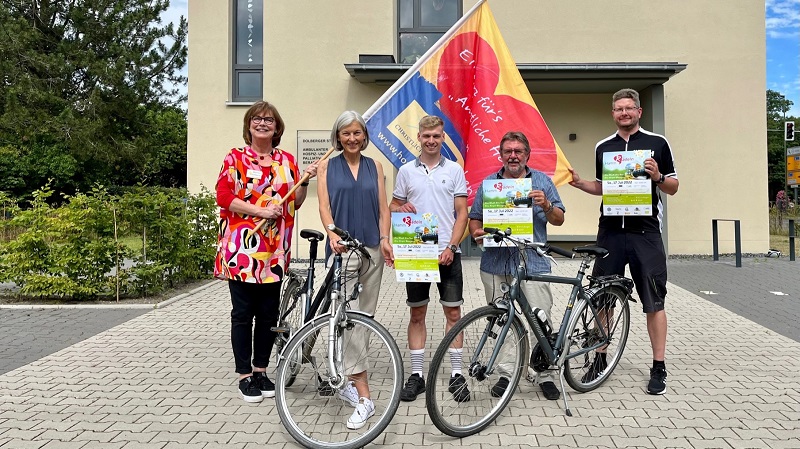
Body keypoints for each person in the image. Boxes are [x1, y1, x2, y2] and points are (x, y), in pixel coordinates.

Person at [568, 88, 679, 395]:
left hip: (646, 234)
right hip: (611, 233)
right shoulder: (604, 147)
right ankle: (600, 358)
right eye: (619, 109)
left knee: (654, 301)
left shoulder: (657, 143)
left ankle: (659, 366)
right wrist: (579, 183)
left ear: (639, 112)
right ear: (613, 113)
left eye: (629, 108)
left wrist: (657, 176)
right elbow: (603, 187)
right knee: (602, 297)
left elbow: (673, 187)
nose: (624, 113)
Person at [214, 101, 318, 403]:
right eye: (257, 119)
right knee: (243, 314)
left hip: (274, 252)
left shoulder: (287, 160)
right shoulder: (235, 158)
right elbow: (224, 197)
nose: (262, 123)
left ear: (277, 127)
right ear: (249, 125)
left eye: (268, 120)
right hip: (243, 249)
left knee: (268, 314)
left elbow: (296, 201)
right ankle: (244, 375)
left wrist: (305, 180)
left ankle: (261, 370)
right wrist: (259, 210)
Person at [468, 131, 565, 401]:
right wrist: (477, 234)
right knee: (502, 320)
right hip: (496, 263)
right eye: (508, 151)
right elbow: (474, 219)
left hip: (533, 262)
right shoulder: (490, 184)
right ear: (501, 155)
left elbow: (559, 219)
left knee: (539, 318)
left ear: (527, 155)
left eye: (518, 151)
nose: (513, 155)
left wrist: (545, 204)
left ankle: (544, 373)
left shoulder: (542, 181)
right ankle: (506, 373)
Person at [317, 110, 394, 429]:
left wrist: (386, 239)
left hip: (372, 250)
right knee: (350, 322)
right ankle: (365, 397)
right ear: (338, 137)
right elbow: (324, 206)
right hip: (343, 249)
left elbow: (382, 207)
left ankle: (348, 379)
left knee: (365, 318)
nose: (352, 138)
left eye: (357, 133)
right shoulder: (325, 166)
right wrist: (332, 233)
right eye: (346, 133)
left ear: (365, 136)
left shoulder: (375, 166)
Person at [389, 115, 470, 403]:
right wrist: (400, 207)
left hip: (448, 254)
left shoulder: (455, 170)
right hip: (417, 254)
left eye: (436, 135)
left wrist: (452, 245)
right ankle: (417, 376)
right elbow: (394, 205)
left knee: (453, 314)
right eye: (426, 136)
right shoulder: (406, 171)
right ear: (419, 137)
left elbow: (462, 213)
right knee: (417, 314)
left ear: (443, 137)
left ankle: (457, 374)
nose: (432, 140)